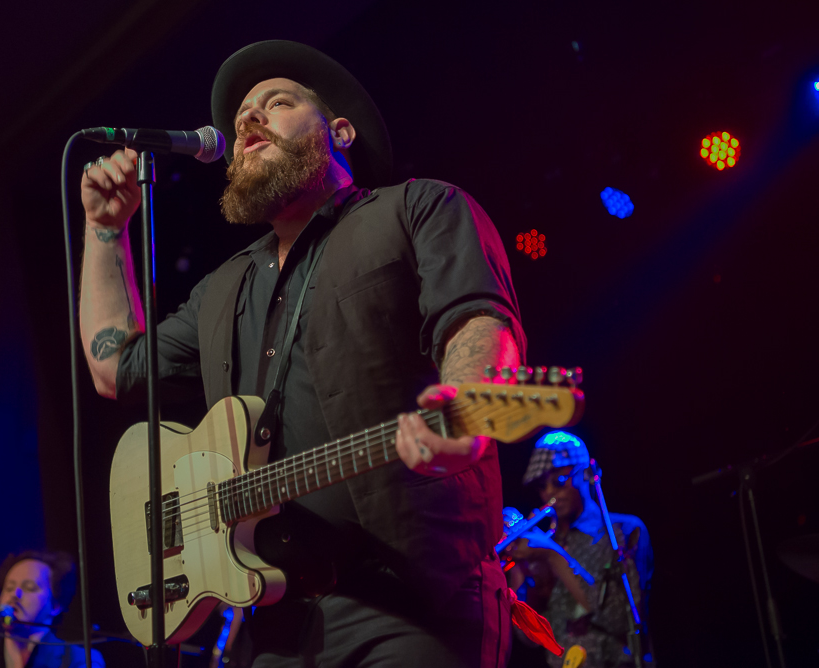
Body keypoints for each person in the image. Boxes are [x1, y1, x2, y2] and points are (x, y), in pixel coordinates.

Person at [79, 40, 530, 667]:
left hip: (412, 598)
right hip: (274, 617)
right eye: (240, 121)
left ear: (339, 131)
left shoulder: (417, 207)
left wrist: (463, 407)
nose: (247, 122)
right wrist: (106, 231)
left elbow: (477, 320)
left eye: (277, 103)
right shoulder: (222, 288)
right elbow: (114, 368)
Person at [503, 432, 653, 668]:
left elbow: (620, 619)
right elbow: (529, 638)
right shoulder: (547, 543)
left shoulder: (623, 530)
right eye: (542, 486)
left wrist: (553, 555)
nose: (550, 493)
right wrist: (520, 568)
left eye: (560, 481)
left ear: (585, 474)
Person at [0, 550, 105, 668]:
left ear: (55, 605)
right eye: (9, 588)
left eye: (29, 588)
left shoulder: (81, 660)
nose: (15, 594)